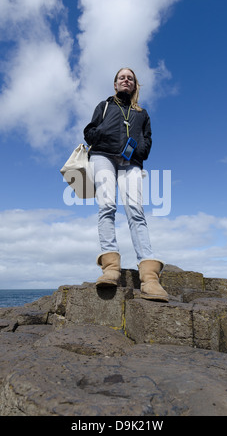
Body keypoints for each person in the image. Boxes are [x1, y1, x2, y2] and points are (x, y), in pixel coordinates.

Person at [84, 68, 168, 302]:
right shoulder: (104, 106)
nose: (125, 80)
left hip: (131, 162)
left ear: (134, 85)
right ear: (115, 84)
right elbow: (89, 132)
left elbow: (148, 140)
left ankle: (150, 278)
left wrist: (138, 150)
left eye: (130, 78)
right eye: (122, 77)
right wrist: (104, 134)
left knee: (136, 212)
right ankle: (111, 269)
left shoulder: (142, 113)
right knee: (107, 206)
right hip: (103, 156)